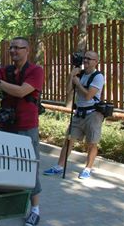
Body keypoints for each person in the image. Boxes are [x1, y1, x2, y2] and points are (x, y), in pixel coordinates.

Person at [0, 37, 44, 226]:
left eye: (18, 47)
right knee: (2, 166)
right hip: (6, 126)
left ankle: (35, 209)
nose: (13, 50)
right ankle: (2, 208)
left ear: (27, 50)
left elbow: (22, 92)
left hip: (26, 127)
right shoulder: (5, 71)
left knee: (30, 167)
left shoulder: (35, 71)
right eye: (11, 48)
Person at [43, 50, 105, 179]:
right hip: (79, 113)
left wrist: (78, 83)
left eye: (89, 59)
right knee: (68, 140)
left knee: (92, 143)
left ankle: (88, 169)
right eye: (85, 58)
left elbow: (88, 96)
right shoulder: (80, 74)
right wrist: (71, 76)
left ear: (96, 62)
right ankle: (59, 166)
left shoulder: (98, 76)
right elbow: (68, 90)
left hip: (93, 114)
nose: (86, 60)